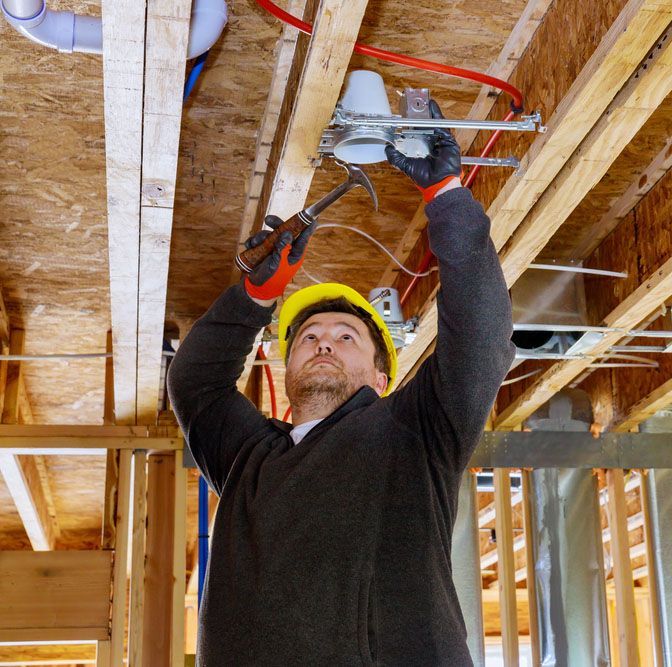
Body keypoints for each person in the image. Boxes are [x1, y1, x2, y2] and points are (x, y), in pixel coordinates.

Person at [168, 100, 514, 666]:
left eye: (346, 336)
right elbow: (195, 382)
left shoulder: (416, 433)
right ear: (287, 372)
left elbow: (480, 333)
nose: (324, 341)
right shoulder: (248, 457)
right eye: (308, 337)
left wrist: (447, 198)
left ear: (382, 377)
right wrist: (255, 295)